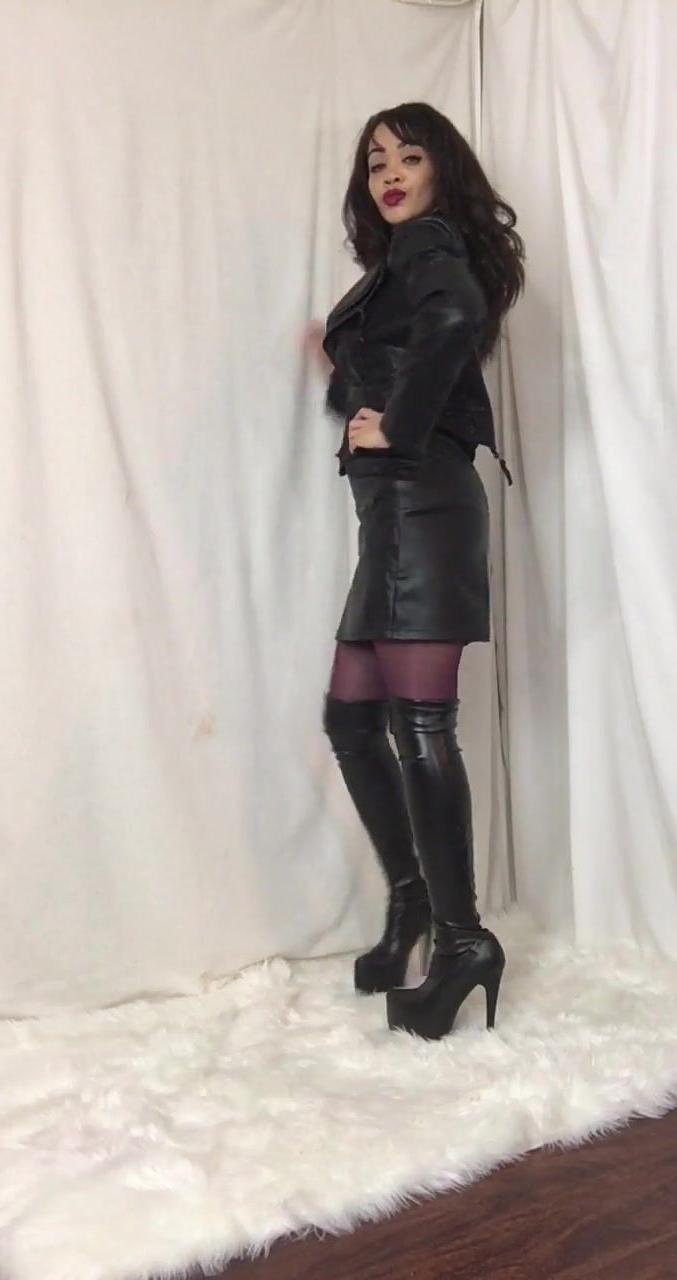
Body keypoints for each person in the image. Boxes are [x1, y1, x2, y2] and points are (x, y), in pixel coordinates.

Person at [305, 102, 525, 1041]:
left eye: (409, 155)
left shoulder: (430, 245)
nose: (390, 172)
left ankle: (463, 940)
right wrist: (345, 369)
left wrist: (395, 421)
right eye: (375, 161)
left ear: (443, 170)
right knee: (353, 720)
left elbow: (457, 318)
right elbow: (403, 359)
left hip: (421, 512)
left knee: (419, 724)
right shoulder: (396, 266)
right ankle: (413, 902)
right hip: (393, 520)